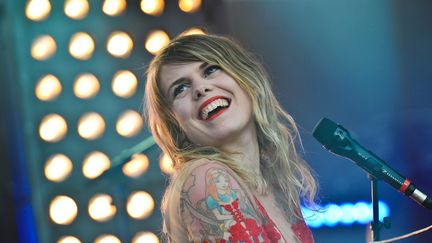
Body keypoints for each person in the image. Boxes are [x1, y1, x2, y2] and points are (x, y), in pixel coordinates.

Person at [144, 33, 317, 242]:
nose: (200, 88)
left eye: (211, 69)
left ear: (246, 78)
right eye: (181, 88)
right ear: (176, 125)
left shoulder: (274, 181)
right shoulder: (206, 176)